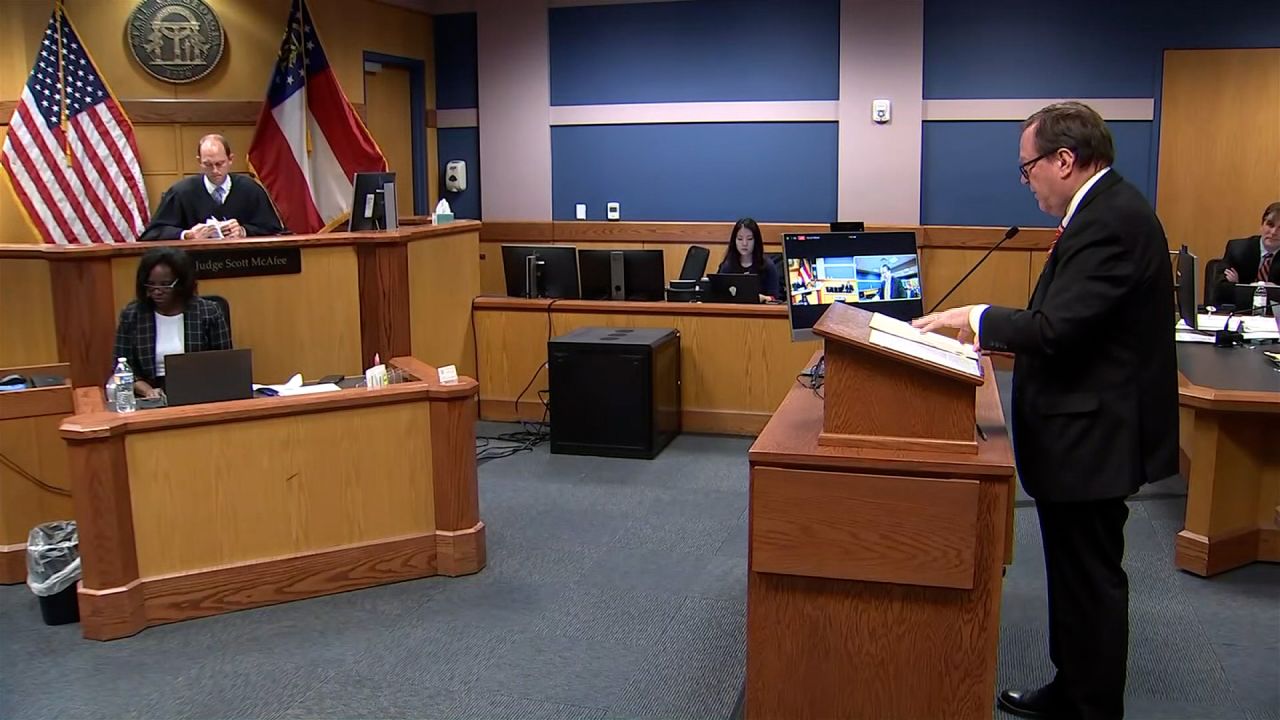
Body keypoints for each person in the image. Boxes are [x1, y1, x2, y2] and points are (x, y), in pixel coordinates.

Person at [913, 102, 1178, 720]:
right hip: (1083, 433)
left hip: (1095, 438)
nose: (1026, 179)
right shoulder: (1101, 212)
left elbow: (1058, 329)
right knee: (1073, 576)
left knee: (1090, 580)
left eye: (1027, 167)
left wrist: (972, 316)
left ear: (1065, 160)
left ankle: (1090, 706)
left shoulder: (1110, 220)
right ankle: (1073, 687)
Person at [113, 247, 232, 398]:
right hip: (150, 398)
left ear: (182, 284)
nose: (157, 291)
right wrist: (147, 391)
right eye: (151, 284)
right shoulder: (132, 316)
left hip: (201, 394)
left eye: (165, 284)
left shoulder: (208, 312)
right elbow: (122, 368)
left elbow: (225, 365)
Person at [139, 134, 285, 240]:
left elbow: (274, 230)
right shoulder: (180, 193)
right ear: (199, 162)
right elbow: (153, 233)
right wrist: (187, 235)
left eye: (220, 164)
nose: (215, 170)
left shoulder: (250, 190)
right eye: (208, 165)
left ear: (230, 160)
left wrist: (244, 231)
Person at [1212, 201, 1279, 306]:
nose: (1274, 232)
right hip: (1241, 314)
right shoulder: (1238, 249)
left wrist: (1240, 286)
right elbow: (1220, 291)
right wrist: (1267, 290)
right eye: (1270, 225)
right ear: (1262, 225)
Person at [717, 217, 781, 301]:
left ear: (756, 241)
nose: (744, 243)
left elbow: (776, 298)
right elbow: (717, 294)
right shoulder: (727, 266)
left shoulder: (768, 266)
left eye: (749, 239)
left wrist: (763, 298)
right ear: (734, 241)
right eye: (740, 239)